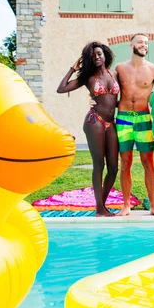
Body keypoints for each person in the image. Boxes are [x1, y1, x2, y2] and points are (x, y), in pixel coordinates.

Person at [56, 41, 120, 217]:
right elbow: (61, 89)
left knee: (114, 168)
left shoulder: (114, 74)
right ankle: (100, 208)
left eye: (99, 53)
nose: (97, 57)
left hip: (111, 123)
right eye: (92, 56)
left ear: (105, 54)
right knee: (99, 164)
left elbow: (117, 99)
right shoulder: (88, 77)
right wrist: (73, 69)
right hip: (95, 121)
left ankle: (102, 205)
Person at [115, 33, 154, 216]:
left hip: (143, 118)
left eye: (146, 43)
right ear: (131, 45)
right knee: (125, 162)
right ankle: (126, 205)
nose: (144, 45)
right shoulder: (119, 68)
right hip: (123, 118)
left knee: (148, 161)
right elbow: (109, 90)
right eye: (140, 42)